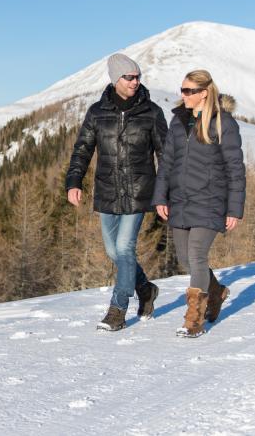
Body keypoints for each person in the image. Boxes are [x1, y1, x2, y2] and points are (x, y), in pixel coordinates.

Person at [66, 53, 168, 331]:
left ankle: (118, 309)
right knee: (114, 252)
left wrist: (165, 191)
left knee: (124, 248)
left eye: (138, 77)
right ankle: (145, 289)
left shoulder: (152, 112)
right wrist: (74, 182)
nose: (135, 82)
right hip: (107, 190)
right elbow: (82, 150)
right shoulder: (97, 112)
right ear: (115, 79)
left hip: (139, 190)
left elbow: (165, 154)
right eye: (129, 77)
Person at [152, 69, 246, 338]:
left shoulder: (223, 123)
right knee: (185, 260)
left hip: (210, 201)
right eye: (182, 90)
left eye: (188, 91)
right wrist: (160, 197)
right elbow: (167, 162)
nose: (183, 95)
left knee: (196, 255)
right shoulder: (178, 121)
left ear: (204, 93)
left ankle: (195, 319)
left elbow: (235, 169)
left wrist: (234, 208)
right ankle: (215, 291)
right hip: (180, 200)